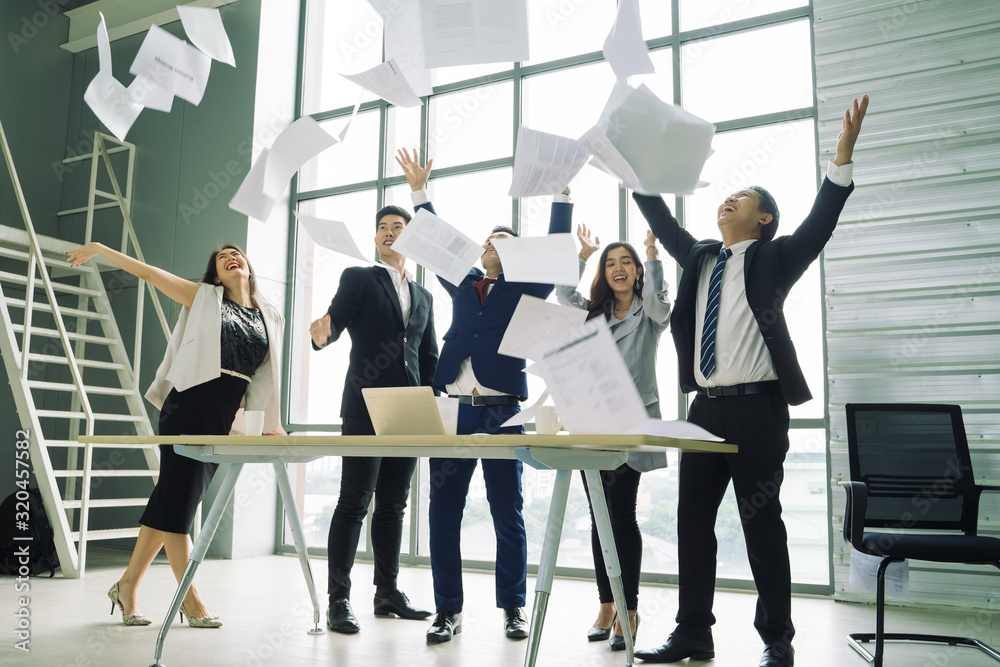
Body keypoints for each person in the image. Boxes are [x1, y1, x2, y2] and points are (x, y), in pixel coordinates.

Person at [631, 95, 868, 667]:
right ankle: (693, 633)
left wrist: (841, 160)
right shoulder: (700, 259)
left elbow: (821, 225)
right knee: (693, 522)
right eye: (727, 195)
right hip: (704, 409)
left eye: (743, 198)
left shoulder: (776, 257)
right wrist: (635, 171)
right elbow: (661, 220)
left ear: (762, 219)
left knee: (761, 520)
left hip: (757, 408)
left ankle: (777, 640)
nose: (728, 200)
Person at [393, 147, 573, 644]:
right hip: (451, 411)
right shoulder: (464, 280)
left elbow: (557, 248)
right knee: (443, 512)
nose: (493, 243)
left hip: (502, 414)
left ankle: (513, 608)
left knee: (506, 512)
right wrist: (419, 191)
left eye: (504, 240)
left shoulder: (526, 286)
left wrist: (562, 192)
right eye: (491, 239)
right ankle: (447, 609)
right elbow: (435, 245)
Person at [65, 241, 286, 628]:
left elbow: (266, 377)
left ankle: (127, 585)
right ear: (216, 274)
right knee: (181, 507)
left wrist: (270, 421)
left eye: (237, 254)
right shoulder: (203, 296)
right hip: (188, 406)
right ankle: (192, 600)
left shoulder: (270, 315)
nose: (232, 258)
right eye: (222, 258)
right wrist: (101, 249)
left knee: (170, 499)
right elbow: (150, 274)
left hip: (222, 414)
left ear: (248, 266)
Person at [308, 203, 438, 634]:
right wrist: (321, 335)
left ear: (411, 237)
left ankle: (387, 593)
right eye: (381, 227)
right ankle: (338, 600)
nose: (388, 232)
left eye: (398, 227)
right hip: (365, 406)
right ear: (375, 239)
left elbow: (429, 356)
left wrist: (437, 403)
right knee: (354, 501)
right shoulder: (359, 278)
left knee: (394, 506)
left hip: (408, 411)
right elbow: (334, 323)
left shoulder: (424, 296)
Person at [554, 227, 671, 651]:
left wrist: (653, 252)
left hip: (631, 423)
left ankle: (630, 610)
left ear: (638, 271)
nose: (617, 268)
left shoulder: (650, 313)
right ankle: (606, 605)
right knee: (598, 516)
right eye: (610, 263)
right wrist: (582, 256)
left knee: (621, 517)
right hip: (592, 422)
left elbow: (661, 304)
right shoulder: (594, 313)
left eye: (626, 262)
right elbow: (563, 296)